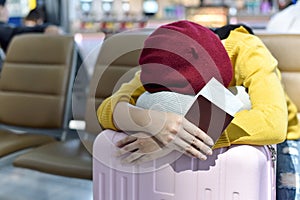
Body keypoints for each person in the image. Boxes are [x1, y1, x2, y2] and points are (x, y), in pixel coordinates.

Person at [97, 20, 300, 199]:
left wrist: (178, 140)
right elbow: (108, 107)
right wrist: (154, 122)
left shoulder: (247, 50)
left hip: (285, 139)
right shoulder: (164, 58)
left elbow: (273, 124)